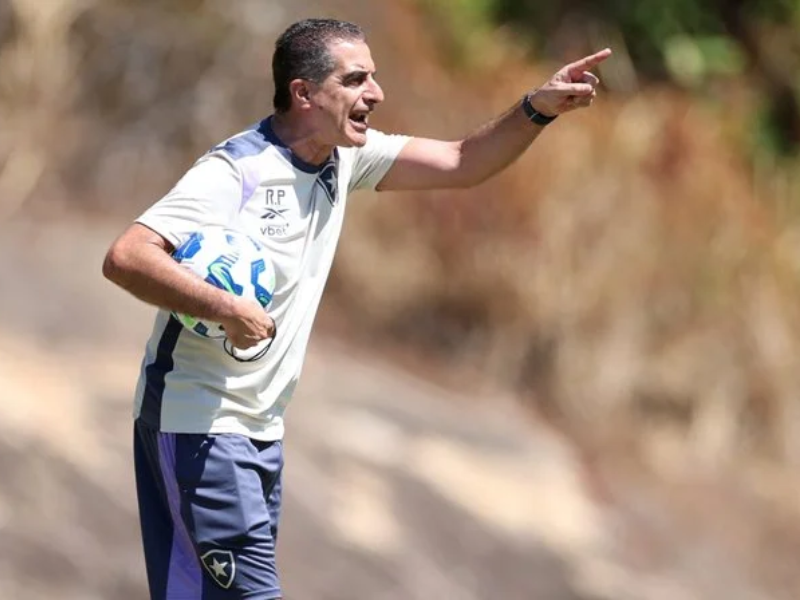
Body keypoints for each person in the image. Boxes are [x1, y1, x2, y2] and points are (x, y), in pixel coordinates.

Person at [102, 17, 611, 600]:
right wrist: (227, 308)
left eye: (373, 77)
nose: (376, 93)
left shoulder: (344, 158)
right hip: (200, 428)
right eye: (356, 79)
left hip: (259, 431)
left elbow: (462, 161)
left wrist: (536, 109)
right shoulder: (236, 172)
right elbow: (127, 256)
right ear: (304, 93)